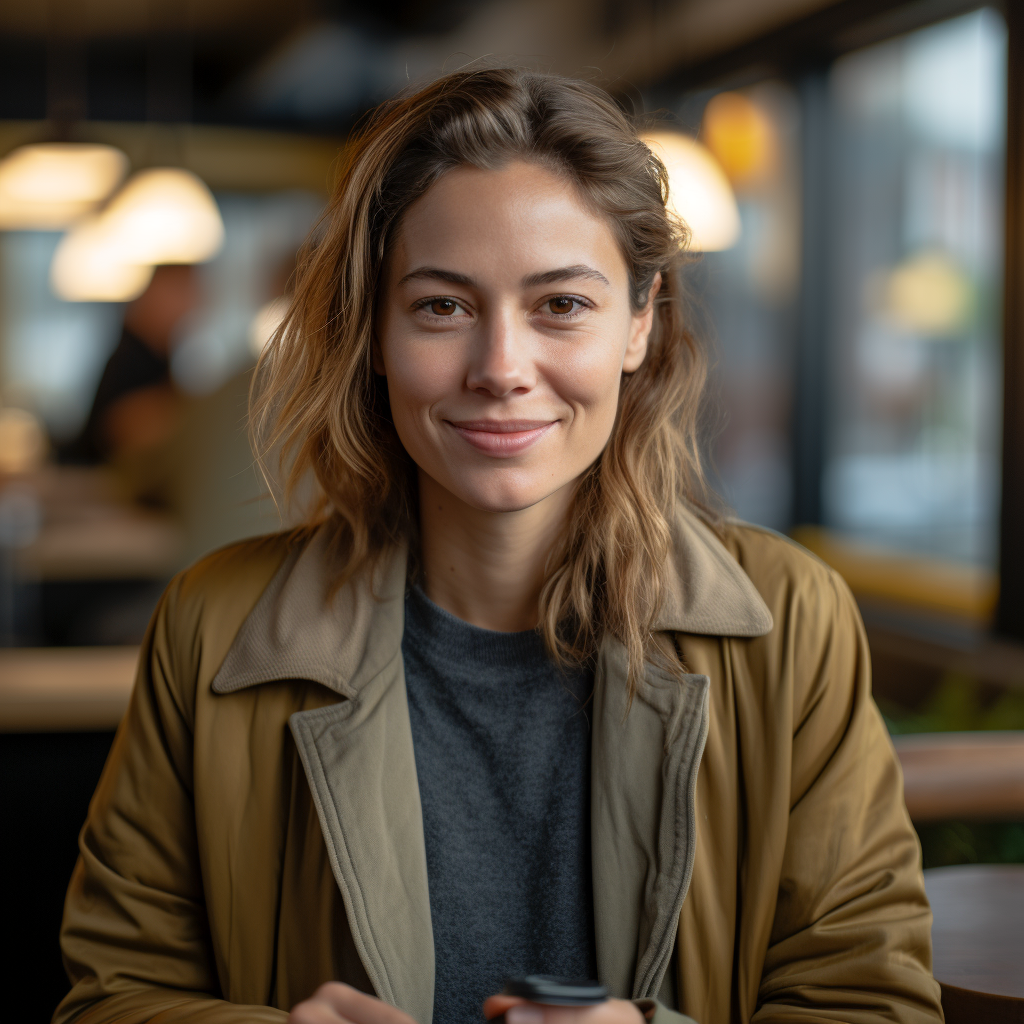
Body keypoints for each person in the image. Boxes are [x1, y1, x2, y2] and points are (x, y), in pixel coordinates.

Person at [54, 69, 943, 1024]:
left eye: (561, 305)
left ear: (640, 323)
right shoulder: (211, 626)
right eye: (443, 306)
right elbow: (112, 999)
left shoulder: (791, 623)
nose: (501, 370)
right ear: (375, 333)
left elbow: (870, 1003)